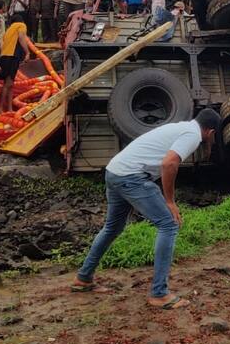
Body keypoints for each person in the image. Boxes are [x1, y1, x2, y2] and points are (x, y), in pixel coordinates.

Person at [72, 108, 222, 306]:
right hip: (131, 177)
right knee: (169, 225)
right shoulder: (192, 135)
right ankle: (160, 294)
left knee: (112, 227)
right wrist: (170, 201)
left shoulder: (181, 127)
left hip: (115, 172)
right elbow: (169, 164)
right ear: (211, 132)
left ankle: (83, 278)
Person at [0, 13, 30, 112]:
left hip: (4, 57)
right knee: (8, 84)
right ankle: (0, 108)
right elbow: (21, 37)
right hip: (12, 56)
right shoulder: (21, 25)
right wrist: (27, 52)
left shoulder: (9, 29)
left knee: (9, 83)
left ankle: (9, 108)